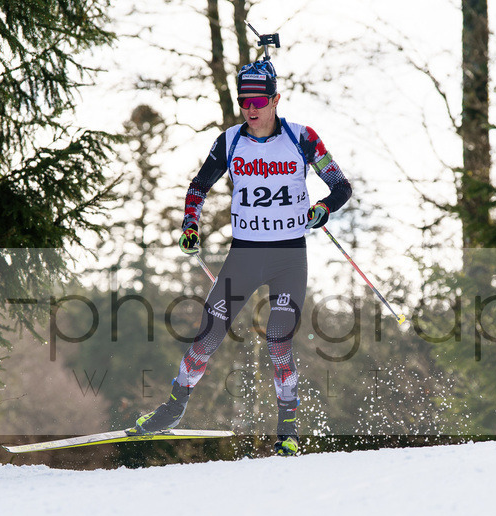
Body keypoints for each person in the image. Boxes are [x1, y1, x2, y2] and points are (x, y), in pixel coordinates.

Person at [128, 58, 352, 455]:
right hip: (245, 255)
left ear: (275, 99)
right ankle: (173, 408)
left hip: (288, 258)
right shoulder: (230, 141)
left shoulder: (303, 138)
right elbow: (198, 186)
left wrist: (323, 208)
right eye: (245, 101)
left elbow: (340, 185)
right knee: (208, 335)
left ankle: (288, 429)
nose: (252, 109)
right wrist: (190, 224)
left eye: (260, 101)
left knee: (279, 340)